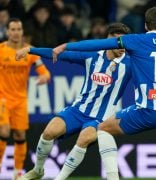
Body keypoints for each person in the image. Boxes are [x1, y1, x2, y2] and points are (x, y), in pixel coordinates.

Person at [52, 7, 156, 180]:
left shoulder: (135, 40)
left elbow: (98, 44)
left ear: (146, 26)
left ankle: (113, 178)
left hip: (150, 110)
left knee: (103, 129)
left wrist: (66, 46)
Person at [16, 23, 131, 180]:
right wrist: (30, 50)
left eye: (124, 41)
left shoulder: (130, 64)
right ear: (108, 40)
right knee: (49, 132)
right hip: (78, 110)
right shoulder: (92, 56)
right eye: (117, 41)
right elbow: (58, 53)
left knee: (83, 139)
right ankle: (38, 170)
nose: (121, 46)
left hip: (102, 117)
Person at [0, 18, 50, 179]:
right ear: (7, 32)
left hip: (20, 100)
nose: (16, 32)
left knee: (20, 135)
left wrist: (44, 77)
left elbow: (45, 72)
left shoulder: (30, 51)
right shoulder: (1, 50)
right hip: (2, 99)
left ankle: (17, 174)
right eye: (13, 29)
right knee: (4, 130)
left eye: (18, 29)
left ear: (22, 32)